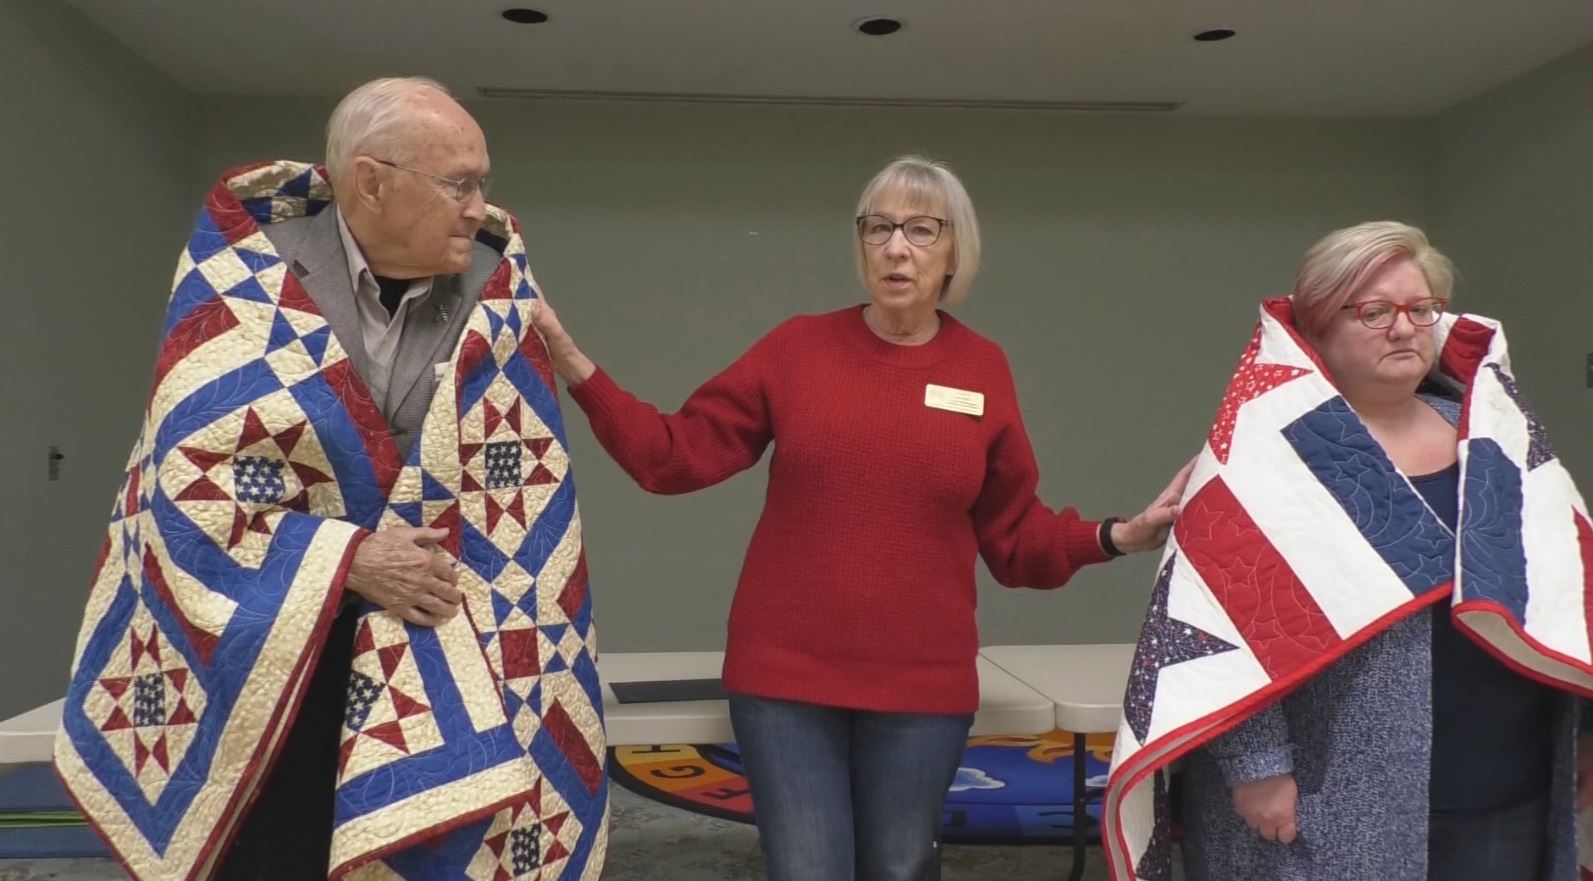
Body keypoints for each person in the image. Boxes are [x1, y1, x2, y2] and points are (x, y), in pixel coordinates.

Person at [530, 154, 1191, 881]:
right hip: (786, 682)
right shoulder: (797, 349)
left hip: (921, 686)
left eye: (918, 229)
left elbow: (1013, 536)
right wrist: (572, 364)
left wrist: (1116, 535)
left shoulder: (981, 369)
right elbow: (672, 458)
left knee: (901, 868)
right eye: (878, 228)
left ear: (952, 250)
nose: (895, 247)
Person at [56, 77, 607, 881]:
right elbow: (194, 482)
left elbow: (515, 483)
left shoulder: (493, 286)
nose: (478, 205)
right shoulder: (246, 278)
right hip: (266, 654)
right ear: (370, 181)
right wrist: (348, 558)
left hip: (436, 639)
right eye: (458, 182)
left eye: (483, 181)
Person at [1105, 221, 1593, 881]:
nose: (1404, 328)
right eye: (1374, 311)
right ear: (1316, 325)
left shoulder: (1491, 435)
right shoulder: (1262, 451)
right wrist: (1255, 767)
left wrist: (1584, 727)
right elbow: (1212, 623)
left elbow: (1565, 585)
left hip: (1504, 779)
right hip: (1325, 787)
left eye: (1421, 309)